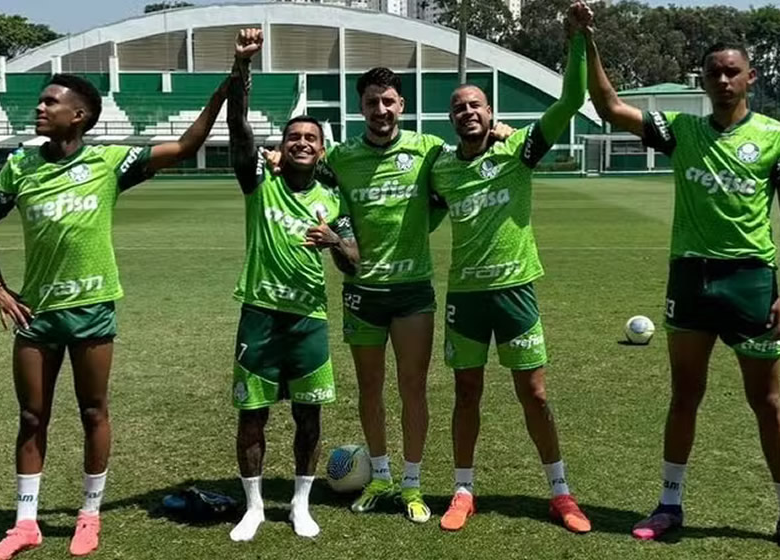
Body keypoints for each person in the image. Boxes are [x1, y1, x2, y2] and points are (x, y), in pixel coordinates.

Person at [572, 2, 780, 558]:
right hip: (690, 278)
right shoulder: (682, 131)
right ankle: (669, 504)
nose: (725, 80)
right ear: (702, 82)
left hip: (752, 280)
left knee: (769, 401)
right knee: (685, 395)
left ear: (750, 77)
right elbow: (610, 108)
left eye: (734, 71)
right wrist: (587, 39)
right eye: (715, 73)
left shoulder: (777, 137)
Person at [0, 67, 233, 559]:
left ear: (80, 115)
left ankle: (89, 515)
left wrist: (222, 91)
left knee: (94, 410)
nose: (40, 108)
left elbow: (184, 147)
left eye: (51, 102)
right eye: (40, 101)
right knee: (32, 416)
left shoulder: (110, 162)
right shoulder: (20, 167)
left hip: (91, 308)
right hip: (38, 312)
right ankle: (25, 524)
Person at [314, 66, 512, 523]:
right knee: (369, 388)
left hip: (412, 292)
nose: (380, 110)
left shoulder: (428, 151)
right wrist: (276, 159)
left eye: (388, 102)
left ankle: (412, 483)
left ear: (401, 105)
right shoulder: (342, 157)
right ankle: (380, 476)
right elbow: (306, 173)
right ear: (360, 107)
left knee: (413, 389)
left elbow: (467, 161)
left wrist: (500, 133)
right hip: (362, 292)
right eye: (371, 103)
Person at [431, 6, 591, 534]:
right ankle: (462, 489)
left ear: (489, 111)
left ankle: (561, 493)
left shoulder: (519, 151)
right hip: (465, 298)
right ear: (450, 118)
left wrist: (575, 41)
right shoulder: (442, 168)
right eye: (458, 107)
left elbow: (571, 100)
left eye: (475, 104)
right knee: (466, 393)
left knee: (536, 394)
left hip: (515, 290)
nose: (467, 112)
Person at [225, 28, 359, 543]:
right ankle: (255, 507)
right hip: (259, 315)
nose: (301, 143)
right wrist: (243, 69)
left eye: (311, 139)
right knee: (252, 415)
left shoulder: (332, 200)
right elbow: (238, 126)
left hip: (309, 321)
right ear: (280, 147)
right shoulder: (259, 184)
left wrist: (333, 240)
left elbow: (353, 262)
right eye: (293, 138)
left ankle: (301, 504)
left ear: (321, 150)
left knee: (308, 417)